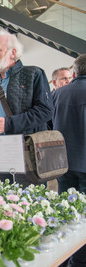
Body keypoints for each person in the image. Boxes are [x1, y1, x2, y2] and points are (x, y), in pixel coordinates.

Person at [0, 31, 53, 187]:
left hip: (27, 157)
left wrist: (7, 124)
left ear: (13, 53)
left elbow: (45, 111)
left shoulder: (33, 74)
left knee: (29, 207)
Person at [52, 53, 86, 267]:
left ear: (74, 72)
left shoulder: (58, 94)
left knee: (67, 216)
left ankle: (65, 259)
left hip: (62, 165)